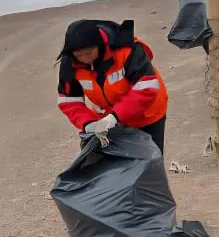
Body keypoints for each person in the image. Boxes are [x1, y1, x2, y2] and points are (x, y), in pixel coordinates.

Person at [55, 19, 169, 152]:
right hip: (107, 122)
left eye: (88, 53)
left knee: (150, 161)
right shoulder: (71, 63)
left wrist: (115, 117)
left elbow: (146, 88)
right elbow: (69, 101)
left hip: (146, 115)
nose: (85, 59)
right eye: (79, 55)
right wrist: (88, 123)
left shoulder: (127, 50)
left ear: (99, 44)